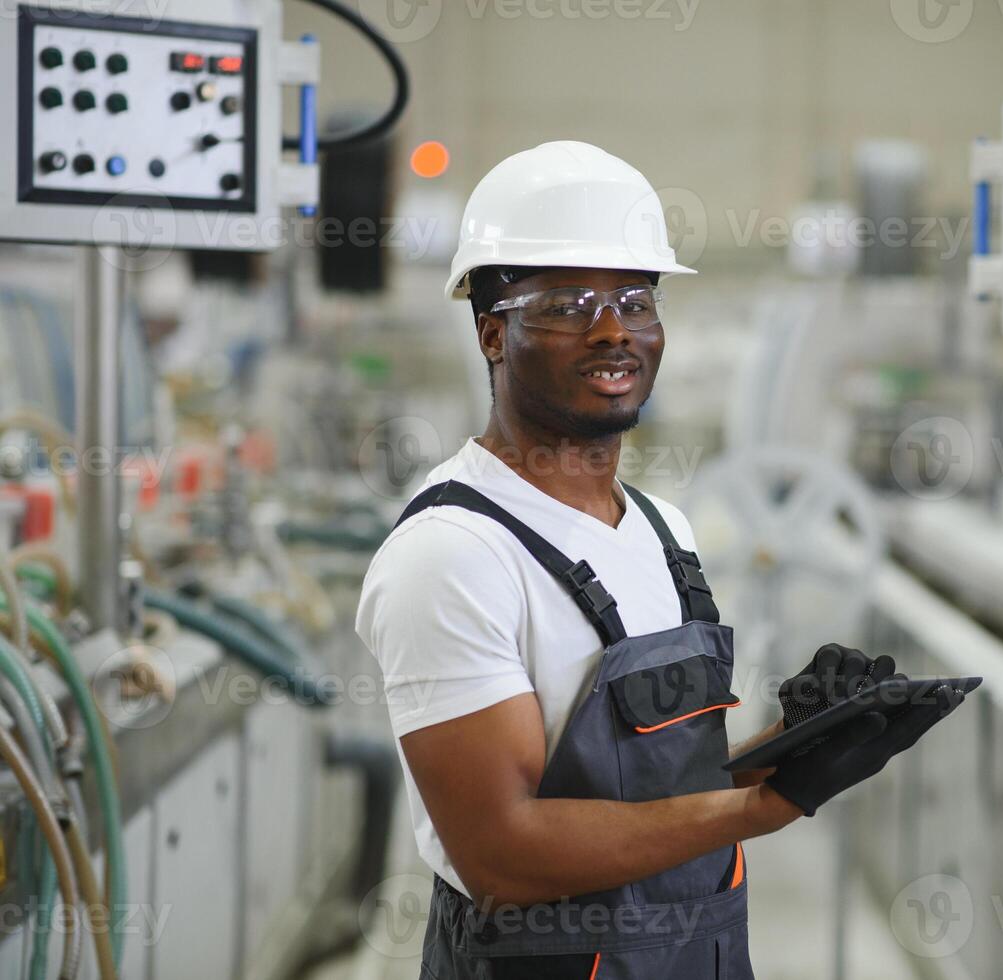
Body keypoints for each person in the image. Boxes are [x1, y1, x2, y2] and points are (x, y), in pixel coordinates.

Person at [356, 140, 966, 980]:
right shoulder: (454, 555)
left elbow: (655, 792)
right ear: (495, 333)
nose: (614, 331)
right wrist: (764, 806)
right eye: (569, 304)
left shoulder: (663, 528)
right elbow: (504, 855)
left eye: (636, 300)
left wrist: (793, 744)